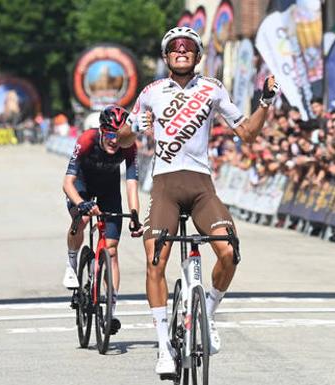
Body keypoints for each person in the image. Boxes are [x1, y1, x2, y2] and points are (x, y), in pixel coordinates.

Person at [115, 26, 280, 375]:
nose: (181, 52)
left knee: (229, 251)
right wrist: (133, 124)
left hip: (202, 186)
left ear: (197, 55)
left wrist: (264, 102)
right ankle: (163, 346)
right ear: (165, 56)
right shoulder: (152, 91)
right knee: (154, 259)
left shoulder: (212, 88)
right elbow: (120, 139)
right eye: (174, 48)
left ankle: (207, 309)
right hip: (164, 187)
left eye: (188, 48)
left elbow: (247, 133)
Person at [62, 105, 143, 335]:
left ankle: (111, 310)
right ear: (100, 131)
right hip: (82, 186)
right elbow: (67, 182)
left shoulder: (128, 146)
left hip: (109, 191)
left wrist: (135, 214)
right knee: (84, 219)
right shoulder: (87, 139)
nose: (114, 141)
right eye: (109, 135)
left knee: (112, 250)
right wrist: (80, 204)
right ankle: (71, 262)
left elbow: (131, 183)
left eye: (118, 136)